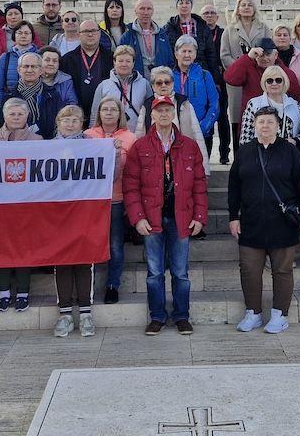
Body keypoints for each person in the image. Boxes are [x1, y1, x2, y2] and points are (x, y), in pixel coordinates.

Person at [124, 97, 208, 335]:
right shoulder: (140, 147)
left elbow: (200, 184)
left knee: (181, 273)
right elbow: (131, 186)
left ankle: (182, 316)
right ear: (152, 115)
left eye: (168, 110)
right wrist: (138, 217)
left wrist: (199, 217)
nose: (163, 114)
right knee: (154, 273)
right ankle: (158, 317)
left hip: (181, 217)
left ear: (174, 114)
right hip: (152, 219)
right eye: (159, 110)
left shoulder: (189, 146)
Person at [229, 107, 300, 334]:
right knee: (249, 269)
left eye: (270, 121)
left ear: (278, 126)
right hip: (251, 221)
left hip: (283, 222)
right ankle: (253, 313)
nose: (265, 126)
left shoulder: (290, 152)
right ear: (254, 125)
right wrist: (233, 217)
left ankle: (280, 314)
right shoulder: (244, 152)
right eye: (261, 122)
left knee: (282, 270)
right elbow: (234, 187)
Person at [0, 98, 42, 312]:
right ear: (5, 116)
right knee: (0, 247)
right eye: (12, 114)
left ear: (27, 116)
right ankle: (3, 292)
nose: (16, 117)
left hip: (27, 205)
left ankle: (23, 292)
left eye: (20, 114)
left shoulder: (38, 140)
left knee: (23, 247)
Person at [86, 97, 136, 304]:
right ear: (98, 113)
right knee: (90, 242)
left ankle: (112, 285)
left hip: (116, 199)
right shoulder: (87, 136)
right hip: (90, 201)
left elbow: (133, 172)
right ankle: (87, 284)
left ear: (119, 114)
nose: (108, 112)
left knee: (115, 245)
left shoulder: (130, 138)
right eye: (104, 109)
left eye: (113, 109)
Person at [52, 105, 97, 338]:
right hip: (57, 213)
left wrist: (115, 154)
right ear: (58, 123)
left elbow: (110, 173)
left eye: (75, 120)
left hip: (84, 210)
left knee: (84, 259)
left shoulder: (92, 146)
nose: (70, 124)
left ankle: (86, 313)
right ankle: (65, 314)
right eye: (65, 119)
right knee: (62, 261)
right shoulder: (46, 148)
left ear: (82, 123)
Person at [134, 67, 210, 170]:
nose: (163, 85)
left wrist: (204, 168)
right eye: (159, 83)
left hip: (182, 160)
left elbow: (197, 135)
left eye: (167, 82)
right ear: (153, 86)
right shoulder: (147, 106)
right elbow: (140, 137)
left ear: (173, 84)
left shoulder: (184, 103)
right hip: (154, 163)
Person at [220, 0, 270, 148]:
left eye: (250, 5)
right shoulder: (229, 30)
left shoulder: (264, 28)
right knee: (237, 117)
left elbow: (269, 50)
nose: (246, 7)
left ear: (254, 8)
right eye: (243, 5)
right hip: (237, 81)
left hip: (258, 78)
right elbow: (224, 55)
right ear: (238, 9)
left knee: (260, 115)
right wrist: (240, 67)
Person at [223, 38, 300, 123]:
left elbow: (297, 100)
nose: (264, 58)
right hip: (252, 121)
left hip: (282, 123)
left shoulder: (287, 74)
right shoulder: (248, 68)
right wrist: (248, 57)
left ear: (276, 55)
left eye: (268, 54)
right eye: (260, 55)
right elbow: (230, 79)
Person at [172, 35, 220, 148]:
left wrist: (204, 126)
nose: (187, 55)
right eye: (183, 51)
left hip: (201, 131)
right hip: (175, 133)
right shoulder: (169, 76)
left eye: (190, 51)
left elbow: (214, 103)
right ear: (176, 54)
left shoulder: (205, 75)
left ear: (195, 54)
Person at [60, 19, 113, 120]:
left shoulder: (111, 58)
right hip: (75, 115)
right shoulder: (67, 60)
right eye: (86, 31)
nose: (90, 34)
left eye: (93, 31)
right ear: (79, 35)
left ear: (99, 34)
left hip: (104, 114)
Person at [238, 65, 300, 145]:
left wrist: (295, 141)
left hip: (288, 154)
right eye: (269, 81)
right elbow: (245, 138)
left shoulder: (295, 105)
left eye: (278, 80)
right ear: (264, 83)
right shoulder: (253, 104)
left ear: (284, 82)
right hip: (261, 155)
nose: (274, 83)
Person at [89, 45, 151, 128]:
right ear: (114, 62)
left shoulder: (144, 84)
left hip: (138, 134)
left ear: (133, 63)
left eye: (128, 61)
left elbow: (151, 112)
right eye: (120, 61)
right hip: (111, 137)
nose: (124, 64)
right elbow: (95, 115)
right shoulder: (103, 86)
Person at [201, 4, 231, 163]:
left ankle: (224, 154)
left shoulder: (223, 33)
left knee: (223, 117)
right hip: (206, 79)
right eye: (206, 13)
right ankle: (207, 152)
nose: (209, 15)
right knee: (209, 115)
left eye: (212, 13)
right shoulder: (199, 33)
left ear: (217, 17)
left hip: (222, 80)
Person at [119, 0, 175, 79]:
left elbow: (170, 59)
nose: (145, 12)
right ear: (135, 11)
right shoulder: (128, 34)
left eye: (149, 9)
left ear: (153, 11)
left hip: (160, 82)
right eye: (142, 8)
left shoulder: (162, 34)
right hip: (135, 81)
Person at [165, 0, 218, 76]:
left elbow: (210, 53)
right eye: (181, 3)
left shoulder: (202, 26)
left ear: (191, 5)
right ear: (177, 6)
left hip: (200, 69)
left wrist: (215, 77)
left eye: (187, 3)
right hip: (177, 71)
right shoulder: (169, 27)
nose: (184, 6)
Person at [0, 20, 40, 103]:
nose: (23, 36)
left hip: (35, 101)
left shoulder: (40, 56)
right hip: (11, 103)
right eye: (19, 33)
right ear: (14, 35)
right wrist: (4, 103)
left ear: (32, 36)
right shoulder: (5, 57)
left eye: (27, 33)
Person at [272, 23, 300, 106]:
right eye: (278, 35)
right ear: (273, 38)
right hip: (271, 104)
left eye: (285, 35)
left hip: (297, 103)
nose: (282, 37)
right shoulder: (267, 59)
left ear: (290, 38)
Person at [0, 0, 25, 70]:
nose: (13, 17)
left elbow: (38, 50)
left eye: (16, 13)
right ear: (6, 17)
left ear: (22, 15)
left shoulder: (29, 31)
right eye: (10, 14)